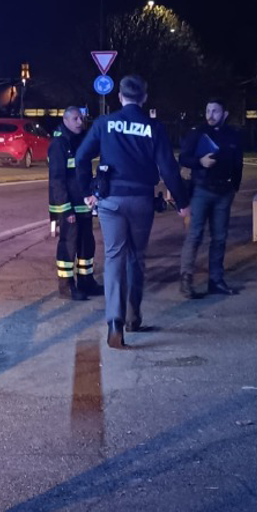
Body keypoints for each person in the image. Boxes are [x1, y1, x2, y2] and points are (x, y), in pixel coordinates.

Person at [76, 75, 189, 348]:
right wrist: (182, 202)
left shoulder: (104, 123)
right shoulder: (154, 127)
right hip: (141, 200)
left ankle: (114, 322)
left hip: (110, 200)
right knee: (136, 258)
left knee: (114, 257)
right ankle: (133, 316)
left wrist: (88, 191)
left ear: (119, 97)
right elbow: (168, 168)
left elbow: (81, 157)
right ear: (144, 98)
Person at [178, 97, 244, 297]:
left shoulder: (233, 134)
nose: (210, 115)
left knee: (220, 238)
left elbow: (238, 161)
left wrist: (234, 186)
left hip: (224, 192)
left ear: (225, 114)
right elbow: (183, 158)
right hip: (201, 190)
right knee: (195, 235)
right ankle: (186, 280)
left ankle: (216, 280)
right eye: (208, 111)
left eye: (215, 111)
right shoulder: (198, 132)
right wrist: (200, 162)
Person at [48, 106, 100, 300]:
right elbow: (57, 180)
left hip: (83, 203)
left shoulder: (81, 140)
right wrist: (65, 209)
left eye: (81, 118)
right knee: (68, 245)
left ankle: (86, 281)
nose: (80, 122)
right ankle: (66, 286)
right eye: (76, 119)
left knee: (87, 243)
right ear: (66, 120)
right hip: (68, 205)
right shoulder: (59, 144)